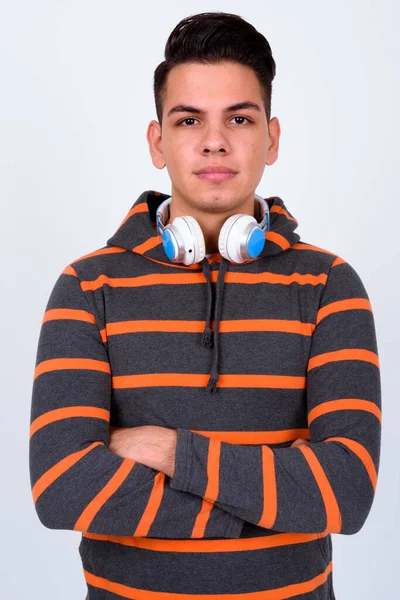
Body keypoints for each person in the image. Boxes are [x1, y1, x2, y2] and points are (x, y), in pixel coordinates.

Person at [29, 11, 382, 600]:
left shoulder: (330, 285)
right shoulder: (87, 287)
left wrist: (170, 450)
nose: (214, 140)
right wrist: (277, 508)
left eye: (238, 118)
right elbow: (63, 488)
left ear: (271, 139)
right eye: (189, 118)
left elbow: (345, 494)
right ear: (156, 141)